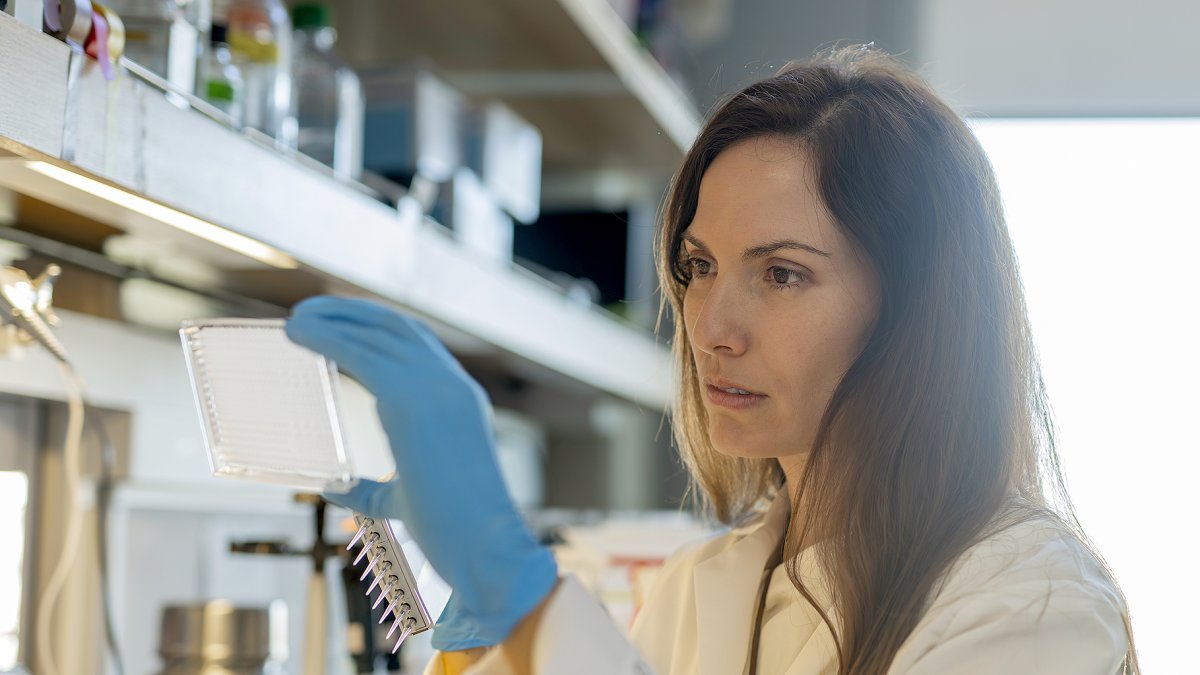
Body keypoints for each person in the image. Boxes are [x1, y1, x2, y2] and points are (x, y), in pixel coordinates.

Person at [285, 45, 1139, 675]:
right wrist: (482, 643)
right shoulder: (704, 585)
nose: (711, 328)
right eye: (699, 267)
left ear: (914, 310)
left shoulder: (1031, 606)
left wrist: (523, 589)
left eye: (782, 273)